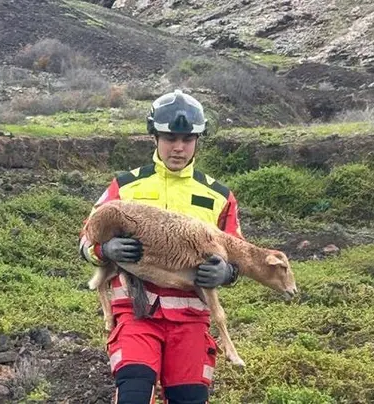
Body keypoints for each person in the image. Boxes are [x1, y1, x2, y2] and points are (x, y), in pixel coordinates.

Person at [77, 89, 244, 404]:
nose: (178, 147)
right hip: (135, 313)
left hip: (191, 318)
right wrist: (105, 250)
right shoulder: (125, 186)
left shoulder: (219, 196)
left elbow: (240, 254)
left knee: (189, 398)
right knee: (134, 393)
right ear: (154, 137)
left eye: (187, 139)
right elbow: (86, 239)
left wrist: (227, 273)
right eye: (169, 138)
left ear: (197, 140)